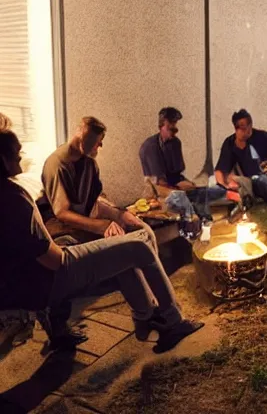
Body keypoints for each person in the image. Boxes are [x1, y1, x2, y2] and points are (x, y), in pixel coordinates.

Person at [0, 124, 204, 354]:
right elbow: (52, 257)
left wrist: (117, 216)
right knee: (138, 248)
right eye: (16, 150)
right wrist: (72, 246)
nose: (21, 153)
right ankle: (172, 321)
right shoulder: (14, 196)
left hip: (30, 275)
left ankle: (147, 316)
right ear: (3, 159)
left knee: (122, 250)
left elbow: (94, 201)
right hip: (47, 277)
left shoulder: (81, 167)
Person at [139, 107, 230, 222]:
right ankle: (194, 223)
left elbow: (177, 172)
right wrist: (179, 187)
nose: (174, 132)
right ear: (161, 126)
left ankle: (205, 223)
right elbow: (158, 182)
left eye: (175, 129)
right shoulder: (150, 147)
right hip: (157, 190)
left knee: (206, 192)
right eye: (170, 129)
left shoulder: (175, 143)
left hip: (174, 185)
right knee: (181, 198)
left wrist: (188, 183)